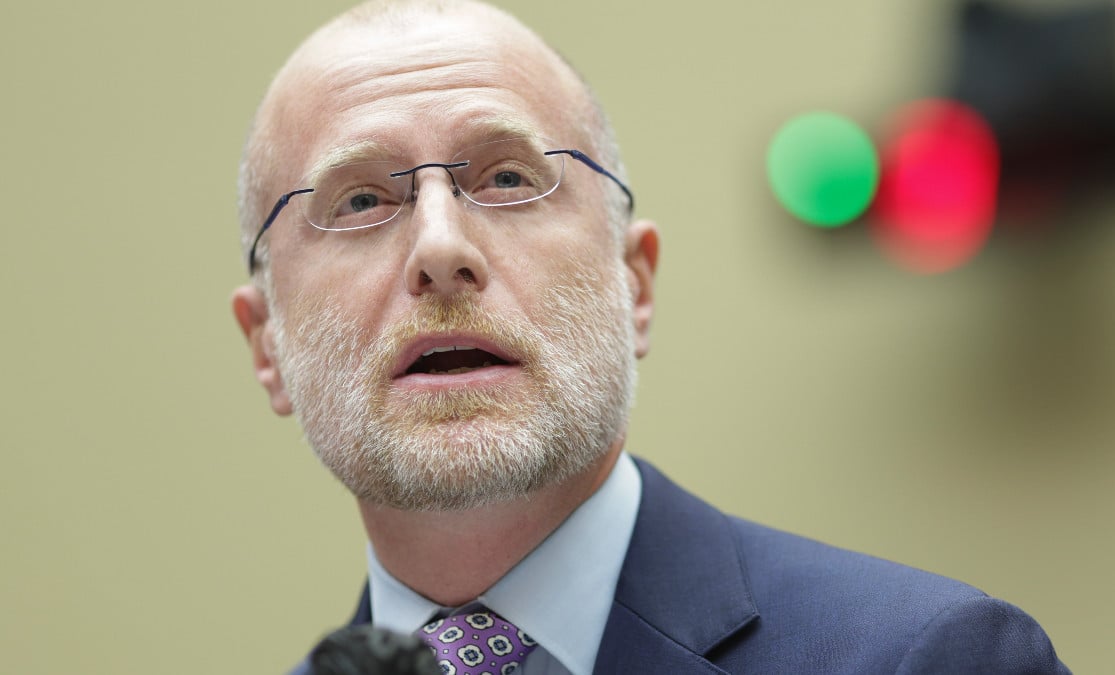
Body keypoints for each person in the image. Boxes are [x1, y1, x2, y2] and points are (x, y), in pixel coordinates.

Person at [231, 1, 1071, 672]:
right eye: (361, 201)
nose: (441, 248)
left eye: (510, 177)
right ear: (266, 344)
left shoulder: (929, 657)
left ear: (634, 284)